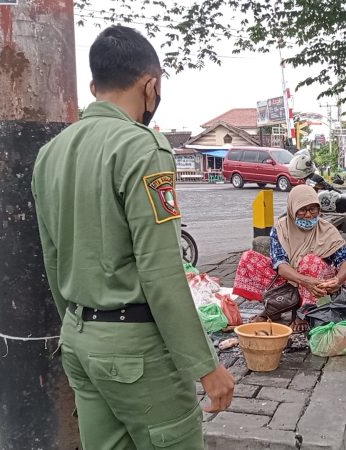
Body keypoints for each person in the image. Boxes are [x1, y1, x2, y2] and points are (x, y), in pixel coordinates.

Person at [31, 26, 234, 450]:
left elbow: (52, 259)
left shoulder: (51, 153)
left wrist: (78, 326)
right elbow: (161, 272)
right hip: (135, 353)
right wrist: (205, 366)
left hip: (80, 339)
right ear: (151, 86)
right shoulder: (142, 148)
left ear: (93, 86)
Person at [233, 185, 346, 332]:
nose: (308, 215)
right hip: (292, 279)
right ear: (292, 209)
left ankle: (304, 312)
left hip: (318, 283)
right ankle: (275, 307)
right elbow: (281, 265)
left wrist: (338, 280)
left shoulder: (327, 230)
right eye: (302, 210)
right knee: (248, 258)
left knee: (310, 262)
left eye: (313, 209)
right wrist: (304, 281)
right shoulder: (281, 228)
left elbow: (345, 260)